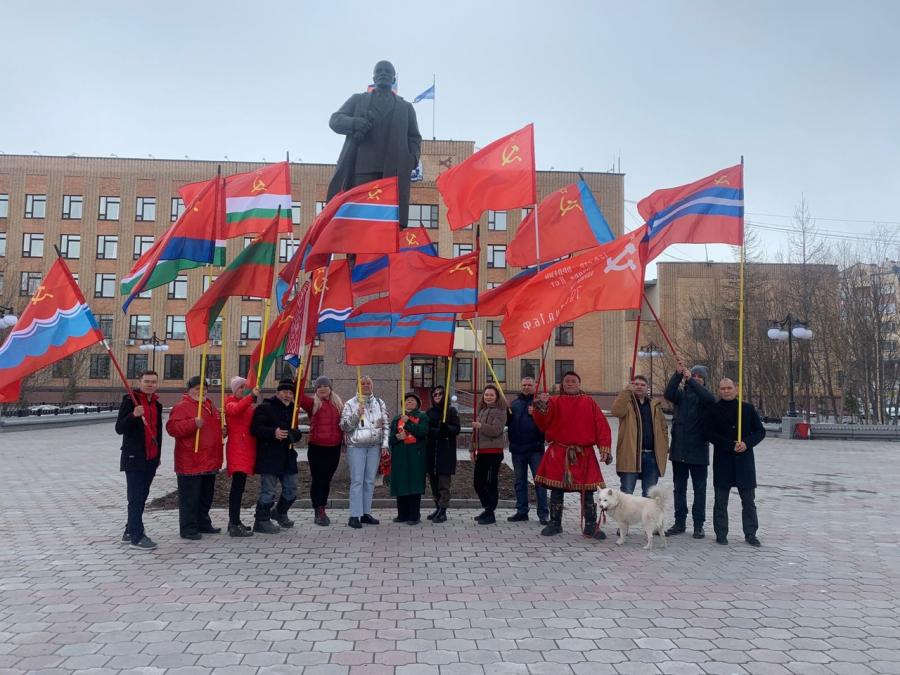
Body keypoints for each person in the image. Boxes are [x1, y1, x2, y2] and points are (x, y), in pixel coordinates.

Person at [327, 60, 422, 228]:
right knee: (359, 221)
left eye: (387, 71)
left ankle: (381, 255)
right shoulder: (358, 100)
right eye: (379, 71)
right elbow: (335, 120)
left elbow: (414, 138)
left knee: (387, 223)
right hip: (361, 172)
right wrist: (355, 123)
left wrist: (410, 160)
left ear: (393, 78)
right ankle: (354, 255)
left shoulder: (405, 108)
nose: (383, 73)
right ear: (374, 77)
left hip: (393, 174)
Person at [533, 371, 612, 538]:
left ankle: (591, 525)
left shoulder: (589, 402)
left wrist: (604, 448)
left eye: (573, 381)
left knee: (588, 492)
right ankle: (555, 524)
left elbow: (601, 426)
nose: (570, 383)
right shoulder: (553, 401)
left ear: (579, 383)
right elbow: (542, 422)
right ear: (562, 384)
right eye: (567, 381)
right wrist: (542, 406)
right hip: (559, 452)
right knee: (556, 490)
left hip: (584, 453)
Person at [707, 378, 766, 547]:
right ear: (719, 391)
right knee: (720, 501)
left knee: (748, 501)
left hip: (744, 462)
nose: (726, 391)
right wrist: (728, 445)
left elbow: (760, 431)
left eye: (729, 388)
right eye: (722, 388)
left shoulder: (747, 409)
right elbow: (709, 433)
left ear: (736, 389)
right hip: (723, 461)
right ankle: (721, 533)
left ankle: (750, 533)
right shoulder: (713, 410)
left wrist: (747, 443)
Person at [166, 376, 224, 540]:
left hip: (209, 459)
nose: (202, 391)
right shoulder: (182, 406)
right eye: (197, 388)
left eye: (204, 388)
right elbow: (172, 428)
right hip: (190, 460)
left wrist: (222, 431)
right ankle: (188, 528)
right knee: (190, 498)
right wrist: (192, 423)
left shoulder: (209, 405)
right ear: (189, 390)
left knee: (206, 495)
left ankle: (203, 523)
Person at [663, 358, 715, 538]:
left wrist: (691, 380)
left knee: (699, 490)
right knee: (680, 489)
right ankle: (679, 523)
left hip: (699, 451)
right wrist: (678, 374)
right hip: (679, 450)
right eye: (693, 375)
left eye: (700, 376)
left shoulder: (706, 397)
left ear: (704, 380)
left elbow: (708, 398)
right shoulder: (680, 395)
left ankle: (699, 525)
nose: (696, 378)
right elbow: (668, 393)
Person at [115, 370, 163, 551]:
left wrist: (157, 456)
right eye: (147, 381)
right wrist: (133, 415)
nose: (150, 384)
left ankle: (129, 530)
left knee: (142, 496)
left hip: (151, 458)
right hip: (134, 457)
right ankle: (137, 536)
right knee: (135, 498)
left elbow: (157, 432)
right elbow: (119, 428)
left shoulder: (156, 404)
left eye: (153, 382)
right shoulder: (130, 401)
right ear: (139, 382)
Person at [250, 378, 303, 534]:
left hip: (287, 456)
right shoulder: (265, 407)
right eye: (285, 392)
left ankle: (279, 512)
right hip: (269, 456)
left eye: (290, 393)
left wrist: (294, 435)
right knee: (268, 491)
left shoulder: (293, 409)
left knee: (292, 489)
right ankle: (261, 521)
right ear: (278, 392)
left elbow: (296, 432)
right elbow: (255, 429)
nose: (287, 395)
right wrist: (273, 432)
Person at [340, 375, 390, 529]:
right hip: (356, 447)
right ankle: (354, 515)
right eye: (363, 383)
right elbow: (344, 426)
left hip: (374, 446)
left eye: (369, 383)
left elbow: (385, 424)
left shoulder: (379, 403)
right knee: (357, 480)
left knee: (369, 480)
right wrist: (357, 414)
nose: (366, 385)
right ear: (358, 386)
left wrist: (385, 445)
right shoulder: (350, 404)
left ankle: (365, 513)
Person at [611, 374, 669, 497]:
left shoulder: (654, 405)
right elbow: (616, 411)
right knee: (626, 494)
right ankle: (626, 517)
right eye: (636, 384)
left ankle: (646, 517)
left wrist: (664, 445)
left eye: (642, 385)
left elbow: (663, 427)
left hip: (652, 456)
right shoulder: (627, 403)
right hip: (630, 455)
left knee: (649, 496)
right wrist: (626, 392)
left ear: (647, 388)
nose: (639, 387)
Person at [299, 376, 344, 526]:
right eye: (319, 386)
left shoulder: (339, 405)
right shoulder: (313, 404)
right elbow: (299, 396)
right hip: (317, 448)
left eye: (325, 385)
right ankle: (319, 510)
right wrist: (299, 381)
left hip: (334, 448)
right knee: (318, 480)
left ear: (330, 388)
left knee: (327, 479)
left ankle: (322, 506)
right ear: (316, 390)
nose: (322, 388)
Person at [506, 376, 548, 525]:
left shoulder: (539, 404)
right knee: (519, 481)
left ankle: (543, 513)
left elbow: (547, 423)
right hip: (517, 449)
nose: (526, 387)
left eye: (529, 385)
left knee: (540, 482)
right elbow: (508, 422)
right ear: (520, 386)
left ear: (534, 386)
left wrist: (536, 413)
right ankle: (522, 511)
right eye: (524, 385)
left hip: (535, 449)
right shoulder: (514, 404)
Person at [224, 376, 260, 537]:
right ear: (234, 390)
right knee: (237, 489)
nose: (243, 390)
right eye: (241, 388)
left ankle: (236, 521)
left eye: (245, 387)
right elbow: (236, 410)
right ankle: (233, 523)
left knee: (240, 487)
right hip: (237, 450)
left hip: (247, 449)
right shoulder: (230, 403)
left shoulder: (248, 406)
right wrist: (251, 396)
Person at [389, 393, 430, 524]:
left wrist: (408, 423)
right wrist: (396, 438)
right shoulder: (396, 419)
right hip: (400, 456)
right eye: (407, 400)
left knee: (414, 484)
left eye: (412, 400)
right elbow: (390, 438)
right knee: (401, 483)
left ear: (417, 403)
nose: (409, 402)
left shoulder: (422, 417)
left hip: (415, 456)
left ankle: (414, 515)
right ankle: (402, 514)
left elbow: (422, 432)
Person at [471, 384, 508, 525]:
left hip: (493, 452)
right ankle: (487, 508)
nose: (488, 397)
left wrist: (481, 426)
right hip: (481, 452)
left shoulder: (500, 411)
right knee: (478, 482)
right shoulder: (482, 411)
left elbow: (496, 430)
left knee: (490, 483)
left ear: (497, 396)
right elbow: (475, 433)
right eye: (486, 394)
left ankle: (490, 512)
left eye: (491, 395)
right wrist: (471, 449)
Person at [424, 385, 461, 524]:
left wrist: (446, 428)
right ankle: (437, 507)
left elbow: (457, 429)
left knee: (443, 483)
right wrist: (437, 430)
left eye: (440, 394)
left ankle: (443, 510)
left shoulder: (451, 411)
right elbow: (427, 428)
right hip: (432, 451)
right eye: (435, 394)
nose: (438, 396)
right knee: (434, 482)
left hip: (445, 451)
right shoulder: (429, 412)